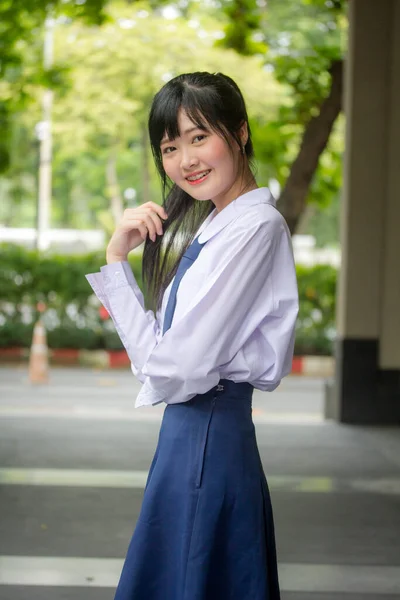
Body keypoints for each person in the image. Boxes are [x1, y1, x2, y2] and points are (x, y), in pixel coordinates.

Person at [85, 71, 299, 600]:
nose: (186, 160)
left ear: (240, 133)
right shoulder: (215, 227)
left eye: (199, 137)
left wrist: (158, 356)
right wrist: (117, 260)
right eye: (170, 147)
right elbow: (159, 358)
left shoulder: (255, 228)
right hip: (190, 436)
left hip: (208, 435)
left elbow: (172, 368)